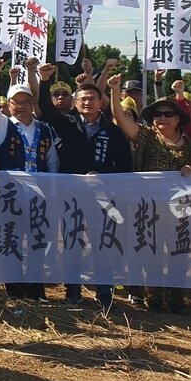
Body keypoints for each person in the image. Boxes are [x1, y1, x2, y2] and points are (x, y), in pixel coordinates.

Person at [37, 63, 134, 310]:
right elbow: (46, 110)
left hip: (103, 197)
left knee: (103, 243)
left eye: (92, 98)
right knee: (72, 243)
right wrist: (45, 81)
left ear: (101, 102)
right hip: (71, 195)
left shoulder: (112, 131)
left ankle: (104, 293)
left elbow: (124, 164)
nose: (87, 103)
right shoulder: (66, 123)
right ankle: (72, 291)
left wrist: (102, 175)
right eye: (83, 99)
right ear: (75, 102)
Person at [108, 74, 191, 315]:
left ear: (178, 120)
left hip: (181, 209)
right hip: (149, 207)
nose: (162, 118)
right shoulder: (147, 137)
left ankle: (176, 299)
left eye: (168, 114)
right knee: (151, 252)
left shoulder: (190, 145)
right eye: (158, 114)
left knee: (178, 252)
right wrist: (114, 90)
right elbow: (120, 118)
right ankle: (155, 298)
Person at [0, 59, 60, 301]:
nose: (23, 106)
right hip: (11, 196)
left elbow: (53, 161)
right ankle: (15, 290)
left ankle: (36, 289)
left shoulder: (45, 130)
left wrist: (54, 188)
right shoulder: (4, 126)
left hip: (39, 195)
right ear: (9, 104)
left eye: (27, 102)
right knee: (12, 240)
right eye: (17, 102)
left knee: (37, 241)